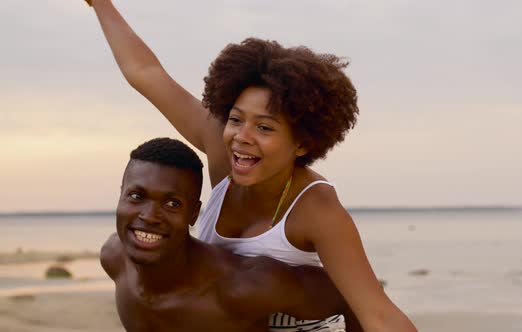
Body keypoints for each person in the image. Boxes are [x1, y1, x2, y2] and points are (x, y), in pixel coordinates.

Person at [85, 1, 417, 331]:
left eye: (265, 127)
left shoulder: (316, 209)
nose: (242, 137)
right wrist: (100, 3)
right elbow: (146, 74)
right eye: (235, 119)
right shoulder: (223, 153)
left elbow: (378, 314)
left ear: (301, 143)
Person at [102, 137, 361, 332]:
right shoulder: (114, 258)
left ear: (194, 214)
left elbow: (352, 300)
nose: (149, 215)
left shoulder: (241, 287)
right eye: (136, 196)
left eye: (172, 204)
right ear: (120, 197)